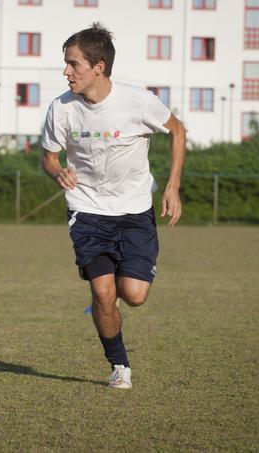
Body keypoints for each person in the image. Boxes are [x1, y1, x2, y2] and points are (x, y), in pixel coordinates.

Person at [40, 23, 186, 389]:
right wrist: (57, 171)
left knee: (134, 295)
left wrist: (172, 186)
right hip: (87, 212)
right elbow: (48, 157)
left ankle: (114, 302)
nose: (66, 71)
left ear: (99, 66)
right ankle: (119, 365)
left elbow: (178, 131)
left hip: (135, 211)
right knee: (103, 293)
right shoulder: (61, 108)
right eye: (66, 63)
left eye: (74, 64)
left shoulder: (138, 102)